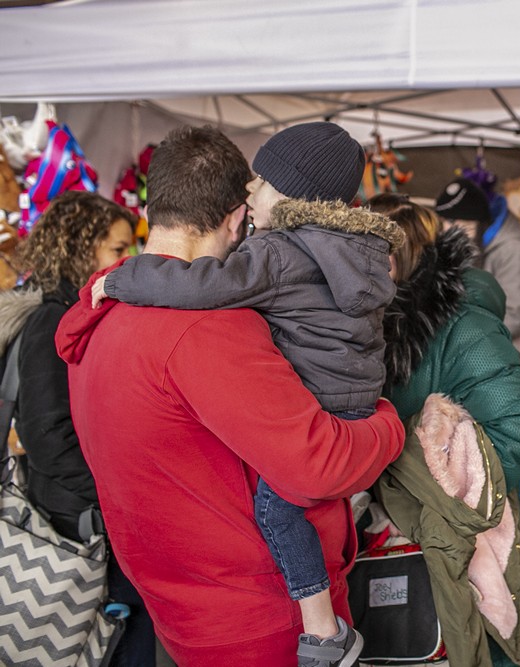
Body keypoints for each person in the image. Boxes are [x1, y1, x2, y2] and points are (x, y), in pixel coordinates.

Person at [54, 125, 405, 667]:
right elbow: (320, 466)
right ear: (238, 217)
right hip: (260, 619)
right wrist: (391, 422)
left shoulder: (101, 317)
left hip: (175, 608)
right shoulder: (208, 331)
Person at [367, 193, 520, 667]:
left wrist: (440, 502)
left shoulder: (462, 326)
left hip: (469, 545)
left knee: (481, 647)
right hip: (395, 545)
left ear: (397, 257)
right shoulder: (365, 325)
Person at [0, 191, 155, 666]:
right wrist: (119, 495)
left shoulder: (76, 312)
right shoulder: (52, 319)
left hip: (84, 515)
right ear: (79, 246)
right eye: (116, 248)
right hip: (76, 525)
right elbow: (48, 438)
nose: (126, 259)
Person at [434, 177, 520, 397]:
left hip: (517, 369)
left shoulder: (512, 250)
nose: (444, 231)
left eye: (450, 223)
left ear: (472, 224)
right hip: (490, 366)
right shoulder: (478, 247)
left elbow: (515, 317)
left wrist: (457, 337)